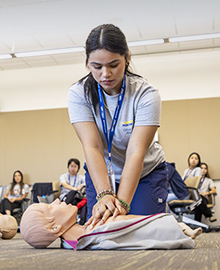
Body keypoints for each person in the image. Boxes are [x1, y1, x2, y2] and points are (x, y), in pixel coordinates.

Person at [67, 24, 167, 228]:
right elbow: (92, 146)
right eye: (97, 66)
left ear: (127, 57)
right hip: (102, 171)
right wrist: (104, 195)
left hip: (145, 173)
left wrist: (121, 204)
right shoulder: (78, 94)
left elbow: (135, 152)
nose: (106, 74)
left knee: (143, 231)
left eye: (113, 65)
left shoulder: (146, 95)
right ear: (87, 63)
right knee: (100, 230)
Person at [20, 199, 201, 250]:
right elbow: (124, 222)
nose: (58, 200)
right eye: (51, 207)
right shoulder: (91, 232)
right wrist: (166, 221)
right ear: (54, 228)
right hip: (163, 229)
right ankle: (178, 228)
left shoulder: (72, 239)